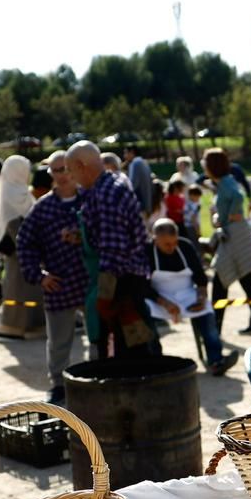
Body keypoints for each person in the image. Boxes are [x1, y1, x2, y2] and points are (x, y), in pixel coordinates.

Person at [67, 140, 159, 359]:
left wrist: (105, 297)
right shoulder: (111, 183)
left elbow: (113, 250)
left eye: (71, 170)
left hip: (122, 284)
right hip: (127, 278)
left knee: (130, 352)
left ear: (82, 166)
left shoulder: (106, 194)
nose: (71, 177)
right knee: (135, 345)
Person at [19, 152, 91, 402]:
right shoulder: (42, 208)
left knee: (97, 337)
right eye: (55, 171)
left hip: (90, 281)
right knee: (59, 342)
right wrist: (39, 276)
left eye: (64, 169)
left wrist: (83, 237)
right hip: (58, 284)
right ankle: (59, 384)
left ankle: (95, 380)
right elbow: (25, 243)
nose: (61, 175)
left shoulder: (89, 199)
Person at [148, 217, 238, 375]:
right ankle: (155, 361)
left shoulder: (185, 246)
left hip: (187, 295)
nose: (172, 247)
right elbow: (143, 286)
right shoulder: (147, 251)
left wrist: (201, 298)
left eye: (174, 242)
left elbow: (200, 278)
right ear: (155, 239)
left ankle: (216, 360)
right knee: (143, 310)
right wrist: (165, 303)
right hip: (159, 298)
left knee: (208, 313)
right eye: (166, 244)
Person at [204, 147, 251, 336]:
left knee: (220, 279)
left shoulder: (226, 183)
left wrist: (231, 215)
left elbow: (238, 197)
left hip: (235, 237)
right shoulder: (224, 181)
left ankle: (215, 328)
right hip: (235, 236)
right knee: (245, 280)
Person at [0, 155, 44, 339]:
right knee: (23, 287)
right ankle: (23, 325)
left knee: (16, 286)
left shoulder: (13, 192)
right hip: (21, 248)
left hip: (16, 253)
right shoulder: (19, 195)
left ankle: (15, 325)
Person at [124, 142, 154, 213]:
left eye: (125, 153)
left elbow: (133, 185)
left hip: (139, 204)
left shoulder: (135, 163)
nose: (124, 156)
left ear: (132, 152)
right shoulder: (143, 162)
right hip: (147, 202)